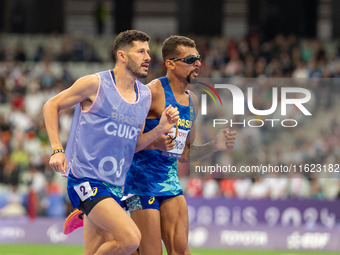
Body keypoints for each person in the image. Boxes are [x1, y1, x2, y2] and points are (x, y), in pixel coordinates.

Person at [43, 30, 179, 255]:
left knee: (95, 251)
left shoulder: (144, 97)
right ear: (122, 56)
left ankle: (87, 211)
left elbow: (133, 145)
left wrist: (161, 128)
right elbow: (51, 105)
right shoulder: (95, 84)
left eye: (148, 52)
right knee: (131, 239)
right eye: (141, 51)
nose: (148, 57)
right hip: (86, 180)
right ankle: (85, 206)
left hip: (116, 186)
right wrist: (57, 149)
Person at [123, 35, 237, 255]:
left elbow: (185, 154)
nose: (198, 63)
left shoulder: (192, 100)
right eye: (191, 59)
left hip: (170, 182)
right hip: (140, 184)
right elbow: (125, 142)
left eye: (198, 58)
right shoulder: (151, 93)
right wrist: (155, 141)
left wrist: (214, 145)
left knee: (181, 251)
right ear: (170, 63)